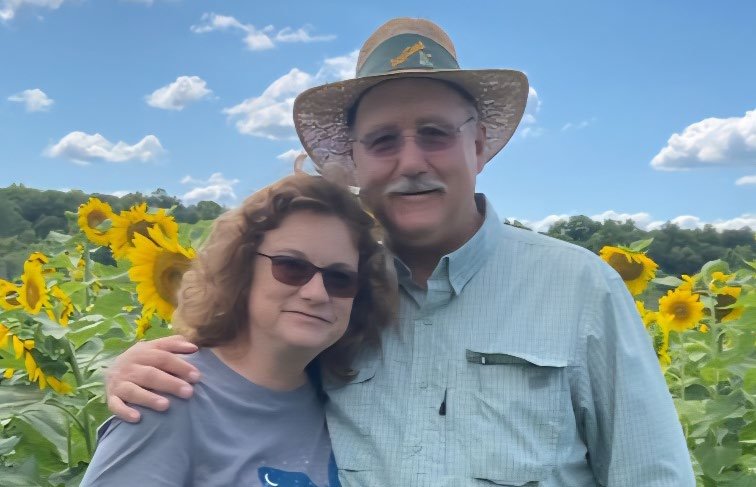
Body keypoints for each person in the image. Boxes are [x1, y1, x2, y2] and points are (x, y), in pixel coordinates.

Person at [104, 17, 695, 486]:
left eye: (435, 133)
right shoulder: (338, 298)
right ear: (357, 162)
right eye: (383, 141)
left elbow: (653, 473)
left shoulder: (580, 289)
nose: (411, 162)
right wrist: (138, 376)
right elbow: (247, 389)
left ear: (479, 145)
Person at [81, 173, 395, 486]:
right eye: (291, 267)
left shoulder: (345, 400)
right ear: (242, 268)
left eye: (340, 278)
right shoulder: (168, 396)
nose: (317, 293)